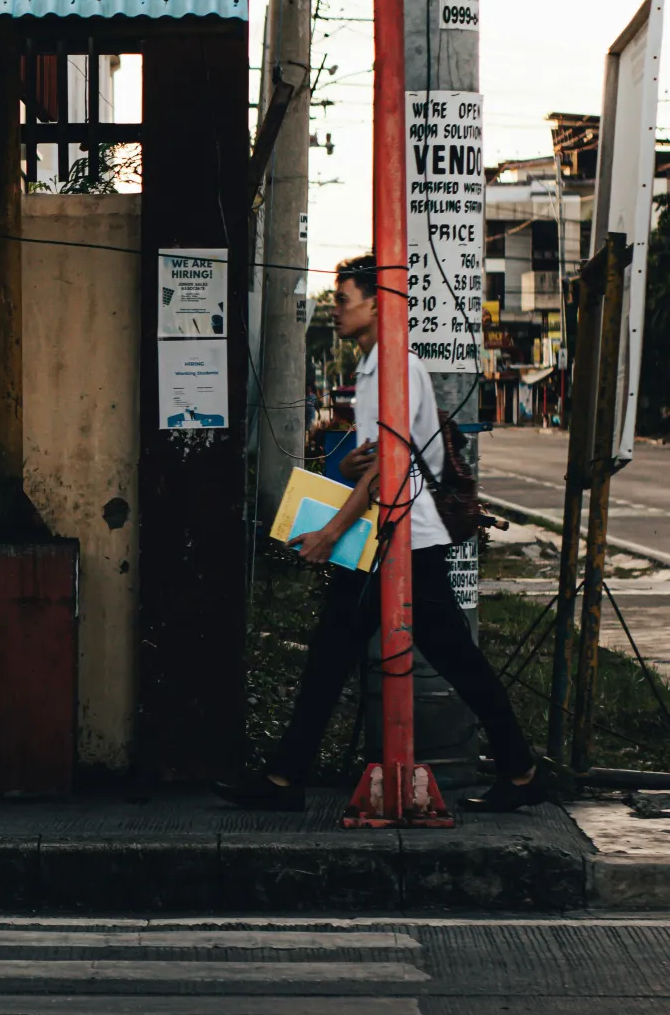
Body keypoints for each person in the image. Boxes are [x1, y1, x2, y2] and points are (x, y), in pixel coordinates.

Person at [217, 254, 543, 813]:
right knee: (341, 656)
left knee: (432, 660)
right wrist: (349, 467)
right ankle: (285, 778)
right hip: (391, 538)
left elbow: (390, 471)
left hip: (405, 541)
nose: (335, 309)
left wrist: (329, 533)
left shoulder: (394, 366)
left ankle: (520, 770)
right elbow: (380, 461)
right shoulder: (374, 366)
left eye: (344, 299)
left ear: (376, 304)